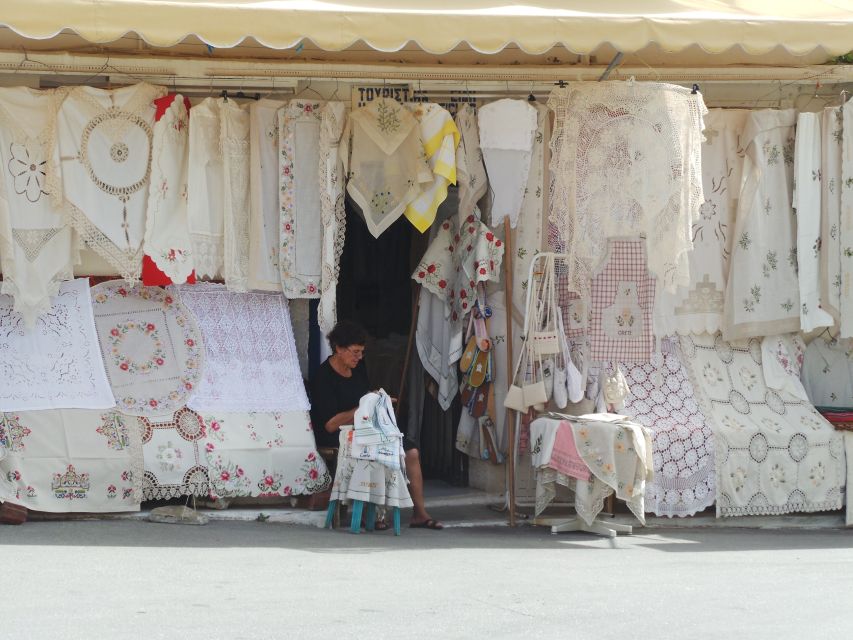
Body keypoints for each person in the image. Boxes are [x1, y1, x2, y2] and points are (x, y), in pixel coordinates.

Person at [309, 320, 443, 530]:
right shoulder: (323, 377)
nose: (359, 357)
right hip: (339, 434)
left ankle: (419, 514)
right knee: (373, 454)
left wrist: (379, 402)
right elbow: (330, 425)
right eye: (354, 352)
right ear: (338, 348)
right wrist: (364, 405)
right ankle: (370, 514)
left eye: (361, 352)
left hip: (365, 430)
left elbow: (366, 405)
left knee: (411, 452)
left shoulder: (359, 370)